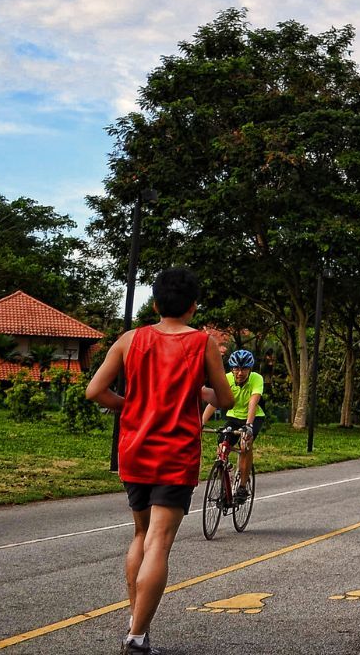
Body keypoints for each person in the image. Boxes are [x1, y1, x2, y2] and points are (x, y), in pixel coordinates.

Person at [87, 267, 233, 655]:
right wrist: (199, 393)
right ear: (193, 306)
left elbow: (94, 391)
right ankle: (136, 635)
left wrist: (130, 407)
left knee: (139, 535)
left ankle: (136, 621)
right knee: (160, 543)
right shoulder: (203, 343)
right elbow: (226, 399)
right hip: (175, 453)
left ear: (155, 304)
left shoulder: (130, 339)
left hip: (134, 450)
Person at [204, 348, 266, 504]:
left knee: (245, 445)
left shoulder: (256, 379)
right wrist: (201, 422)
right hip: (233, 417)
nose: (240, 373)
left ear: (250, 369)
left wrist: (249, 426)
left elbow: (253, 402)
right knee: (222, 447)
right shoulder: (226, 380)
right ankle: (226, 479)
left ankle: (243, 487)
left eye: (244, 368)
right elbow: (215, 402)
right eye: (236, 368)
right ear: (231, 369)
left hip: (253, 417)